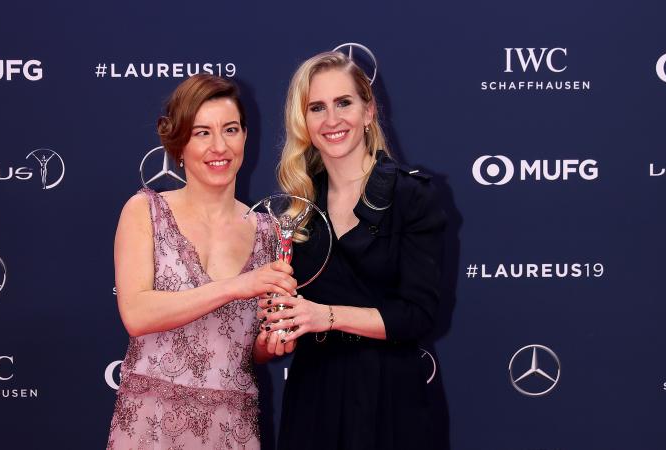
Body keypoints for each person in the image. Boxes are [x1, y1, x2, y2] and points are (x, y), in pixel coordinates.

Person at [258, 52, 447, 449]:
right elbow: (286, 317)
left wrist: (324, 316)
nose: (332, 120)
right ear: (304, 122)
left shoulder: (413, 197)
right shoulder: (296, 207)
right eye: (317, 108)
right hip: (314, 396)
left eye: (344, 102)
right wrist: (279, 333)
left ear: (368, 110)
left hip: (389, 399)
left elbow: (419, 316)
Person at [107, 74, 297, 449]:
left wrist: (270, 341)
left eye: (230, 129)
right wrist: (235, 287)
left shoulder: (269, 231)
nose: (219, 146)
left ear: (245, 136)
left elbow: (252, 348)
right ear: (179, 143)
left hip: (230, 427)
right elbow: (137, 314)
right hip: (151, 425)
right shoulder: (144, 211)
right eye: (202, 133)